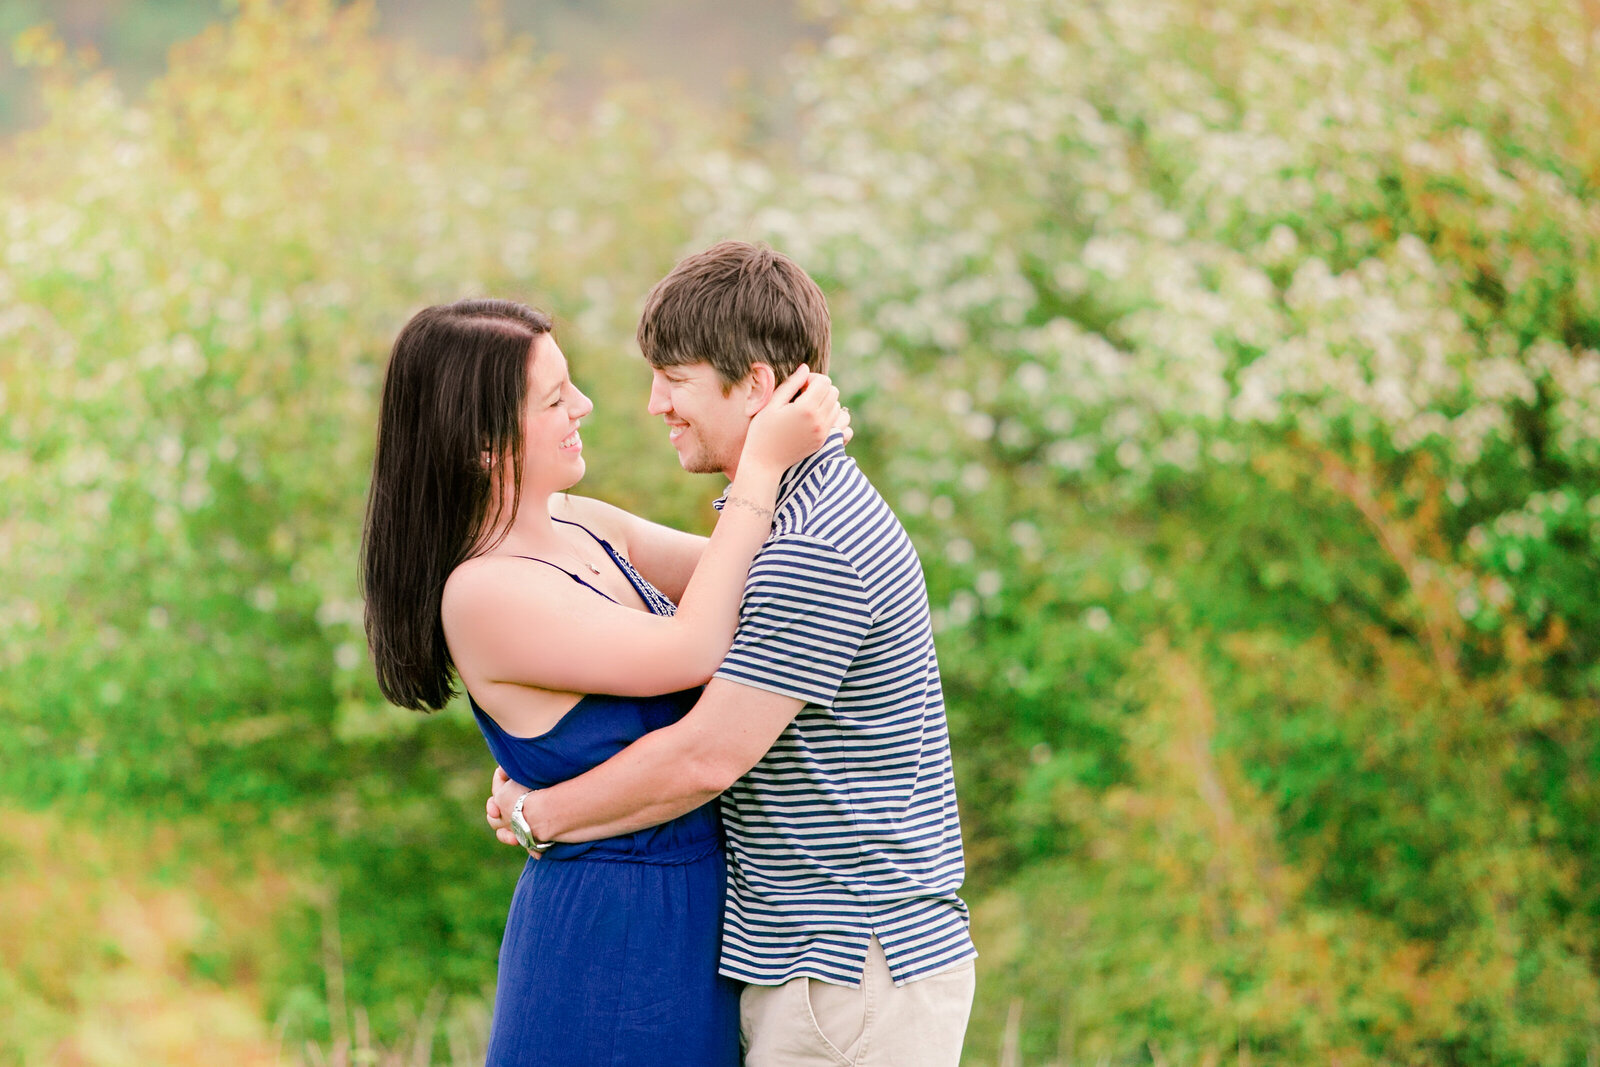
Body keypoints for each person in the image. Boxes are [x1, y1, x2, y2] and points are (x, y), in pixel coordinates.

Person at [487, 242, 978, 1067]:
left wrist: (542, 812)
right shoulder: (789, 521)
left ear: (753, 383)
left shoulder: (813, 548)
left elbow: (705, 756)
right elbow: (654, 593)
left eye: (675, 378)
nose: (653, 404)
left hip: (849, 978)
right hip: (831, 971)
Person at [360, 297, 844, 1067]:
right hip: (609, 936)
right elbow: (693, 647)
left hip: (697, 918)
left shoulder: (582, 522)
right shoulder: (485, 593)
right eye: (555, 398)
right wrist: (761, 462)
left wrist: (786, 437)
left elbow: (757, 577)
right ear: (485, 445)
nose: (584, 404)